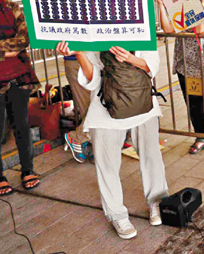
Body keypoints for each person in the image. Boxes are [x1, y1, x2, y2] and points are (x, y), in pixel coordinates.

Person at [55, 41, 169, 239]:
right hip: (104, 104)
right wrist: (79, 53)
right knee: (107, 162)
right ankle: (117, 214)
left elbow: (151, 66)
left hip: (142, 100)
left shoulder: (140, 26)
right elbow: (92, 80)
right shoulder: (95, 31)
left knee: (151, 154)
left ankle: (157, 201)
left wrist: (130, 58)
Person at [156, 0, 204, 154]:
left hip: (202, 69)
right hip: (185, 68)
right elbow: (168, 29)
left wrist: (200, 5)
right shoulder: (181, 15)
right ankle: (201, 136)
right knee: (192, 104)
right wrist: (161, 6)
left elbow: (200, 29)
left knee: (203, 104)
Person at [0, 0, 41, 196]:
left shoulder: (12, 7)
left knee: (21, 125)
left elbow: (24, 39)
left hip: (19, 76)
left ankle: (27, 170)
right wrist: (7, 50)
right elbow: (14, 44)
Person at [63, 0, 94, 163]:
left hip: (98, 57)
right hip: (75, 58)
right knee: (86, 105)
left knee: (99, 103)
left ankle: (82, 137)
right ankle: (80, 138)